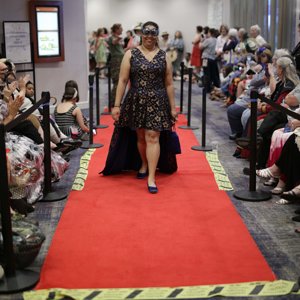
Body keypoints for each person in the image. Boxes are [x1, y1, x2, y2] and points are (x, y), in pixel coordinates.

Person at [101, 21, 178, 194]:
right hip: (136, 100)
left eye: (153, 33)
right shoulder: (131, 54)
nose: (149, 36)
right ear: (141, 34)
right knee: (141, 136)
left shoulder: (164, 56)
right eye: (146, 33)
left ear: (156, 35)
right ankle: (143, 163)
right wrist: (116, 105)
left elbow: (169, 84)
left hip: (158, 101)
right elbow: (122, 80)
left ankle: (151, 176)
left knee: (153, 136)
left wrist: (173, 108)